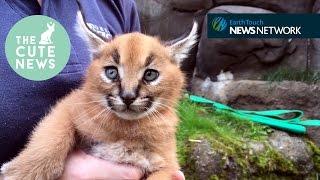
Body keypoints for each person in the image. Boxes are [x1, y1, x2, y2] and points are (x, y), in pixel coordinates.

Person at [0, 0, 184, 179]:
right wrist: (42, 161)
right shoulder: (87, 109)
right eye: (113, 73)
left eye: (149, 75)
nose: (128, 93)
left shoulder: (117, 4)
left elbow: (167, 169)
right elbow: (68, 111)